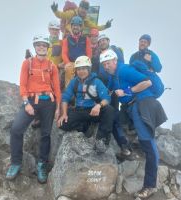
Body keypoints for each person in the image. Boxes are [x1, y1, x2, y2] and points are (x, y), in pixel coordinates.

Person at [100, 49, 167, 198]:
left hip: (142, 104)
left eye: (108, 63)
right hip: (130, 107)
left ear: (115, 61)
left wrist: (128, 91)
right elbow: (107, 91)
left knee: (148, 144)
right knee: (115, 118)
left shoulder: (124, 70)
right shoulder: (113, 76)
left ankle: (149, 186)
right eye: (104, 64)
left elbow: (147, 82)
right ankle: (127, 150)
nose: (106, 66)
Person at [6, 35, 61, 184]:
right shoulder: (27, 63)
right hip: (31, 101)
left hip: (49, 103)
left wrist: (57, 108)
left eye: (44, 45)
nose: (41, 47)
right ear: (35, 47)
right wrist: (26, 103)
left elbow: (57, 89)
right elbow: (23, 85)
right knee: (16, 129)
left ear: (47, 48)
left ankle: (42, 164)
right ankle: (16, 162)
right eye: (38, 45)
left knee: (46, 134)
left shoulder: (52, 66)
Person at [57, 55, 114, 153]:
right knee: (62, 124)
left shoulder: (96, 82)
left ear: (89, 69)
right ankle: (85, 127)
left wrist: (98, 105)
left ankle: (101, 139)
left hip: (93, 110)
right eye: (79, 69)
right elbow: (66, 97)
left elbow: (106, 98)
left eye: (84, 68)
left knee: (109, 110)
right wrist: (64, 114)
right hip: (79, 110)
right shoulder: (74, 82)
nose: (81, 71)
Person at [129, 34, 164, 98]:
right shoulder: (133, 56)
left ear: (148, 44)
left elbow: (159, 68)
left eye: (145, 42)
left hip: (148, 82)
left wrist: (151, 60)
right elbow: (130, 69)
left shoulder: (151, 54)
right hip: (136, 81)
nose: (143, 43)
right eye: (141, 41)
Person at [62, 16, 92, 87]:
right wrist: (67, 63)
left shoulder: (86, 39)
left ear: (81, 27)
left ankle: (85, 91)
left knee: (86, 71)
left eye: (78, 25)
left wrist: (86, 62)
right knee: (69, 69)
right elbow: (64, 53)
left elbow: (89, 53)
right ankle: (69, 92)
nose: (76, 27)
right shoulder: (66, 39)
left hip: (83, 62)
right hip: (71, 63)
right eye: (74, 25)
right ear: (71, 26)